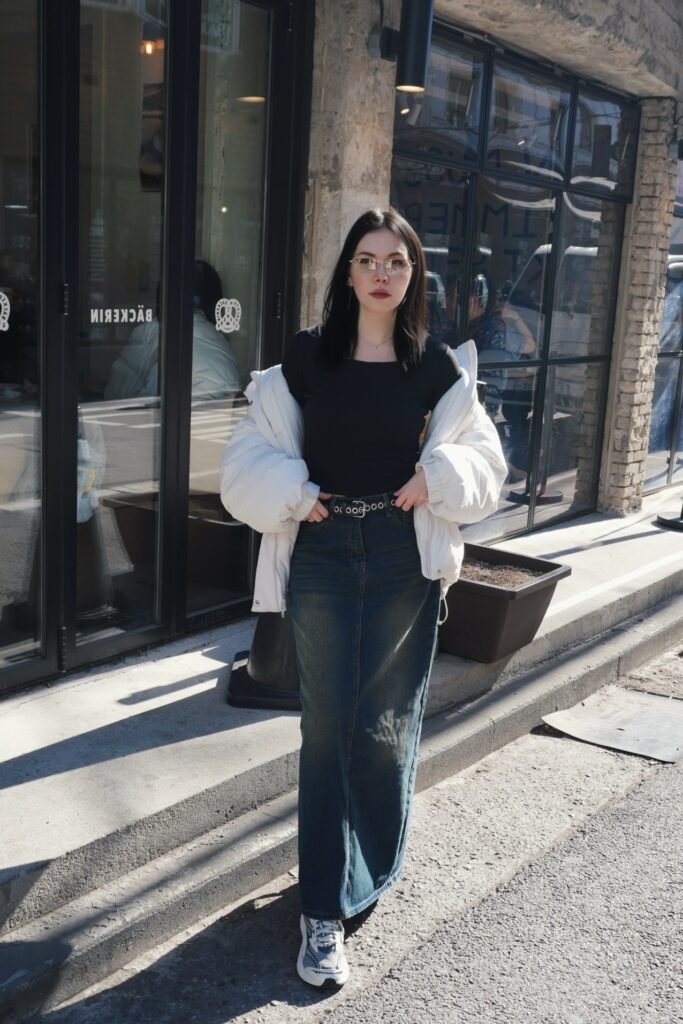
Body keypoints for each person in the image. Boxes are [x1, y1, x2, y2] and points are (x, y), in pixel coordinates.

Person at [220, 208, 506, 989]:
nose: (382, 272)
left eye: (398, 261)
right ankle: (321, 912)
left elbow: (484, 463)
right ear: (347, 272)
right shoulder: (306, 361)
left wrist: (436, 477)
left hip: (397, 554)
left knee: (383, 724)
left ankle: (370, 861)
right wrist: (293, 490)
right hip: (319, 548)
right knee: (327, 724)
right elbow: (245, 455)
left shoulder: (435, 366)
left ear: (413, 276)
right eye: (367, 258)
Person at [105, 260, 241, 400]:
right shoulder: (219, 339)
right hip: (218, 419)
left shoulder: (150, 331)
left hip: (165, 418)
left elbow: (117, 394)